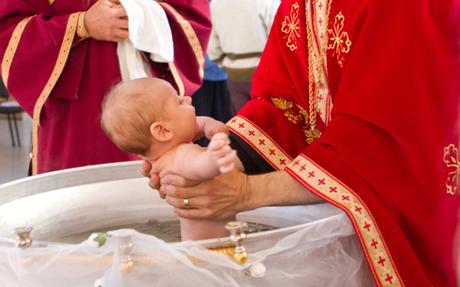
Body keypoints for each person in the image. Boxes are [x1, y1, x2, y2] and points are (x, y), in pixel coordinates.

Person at [146, 0, 460, 286]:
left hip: (421, 197)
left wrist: (245, 192)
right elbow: (285, 107)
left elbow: (379, 139)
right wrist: (211, 163)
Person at [0, 0, 211, 175]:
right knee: (75, 208)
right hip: (72, 115)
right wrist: (80, 24)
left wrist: (138, 16)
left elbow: (192, 15)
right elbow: (7, 32)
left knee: (157, 204)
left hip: (149, 104)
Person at [101, 78, 242, 240]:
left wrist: (209, 126)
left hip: (202, 245)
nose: (188, 98)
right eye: (179, 102)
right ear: (163, 131)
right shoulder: (179, 158)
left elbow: (197, 123)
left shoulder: (164, 153)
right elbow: (199, 165)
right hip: (212, 250)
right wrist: (216, 157)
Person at [207, 0, 280, 114]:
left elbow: (212, 46)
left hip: (235, 75)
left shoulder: (216, 4)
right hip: (265, 73)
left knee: (244, 123)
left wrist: (227, 64)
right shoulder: (266, 2)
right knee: (268, 122)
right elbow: (278, 34)